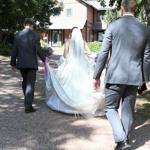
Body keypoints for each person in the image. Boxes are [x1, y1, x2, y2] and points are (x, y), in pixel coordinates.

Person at [93, 0, 150, 150]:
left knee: (110, 108)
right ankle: (124, 140)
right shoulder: (145, 29)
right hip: (134, 76)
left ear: (121, 8)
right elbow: (147, 57)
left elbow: (104, 52)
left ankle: (122, 140)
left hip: (115, 75)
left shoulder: (113, 25)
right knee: (127, 108)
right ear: (136, 9)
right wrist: (145, 79)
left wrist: (96, 75)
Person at [45, 27, 105, 117]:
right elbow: (89, 52)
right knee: (83, 85)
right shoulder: (83, 42)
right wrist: (83, 53)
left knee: (67, 84)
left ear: (72, 33)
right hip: (82, 66)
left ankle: (67, 104)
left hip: (71, 66)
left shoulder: (68, 41)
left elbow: (65, 55)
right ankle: (84, 104)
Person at [10, 18, 46, 113]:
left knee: (25, 81)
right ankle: (28, 106)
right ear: (32, 25)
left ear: (24, 24)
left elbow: (14, 50)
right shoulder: (35, 35)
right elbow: (38, 50)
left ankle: (27, 98)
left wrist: (13, 63)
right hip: (31, 63)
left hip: (21, 63)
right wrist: (45, 60)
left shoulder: (18, 35)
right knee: (30, 83)